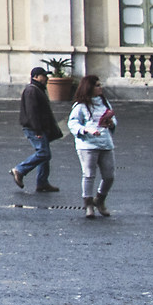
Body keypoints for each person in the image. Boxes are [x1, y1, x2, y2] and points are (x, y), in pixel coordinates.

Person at [67, 74, 118, 218]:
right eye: (97, 85)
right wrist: (86, 129)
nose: (100, 88)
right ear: (89, 87)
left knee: (109, 175)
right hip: (87, 144)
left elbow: (113, 118)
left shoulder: (104, 103)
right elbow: (73, 123)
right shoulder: (81, 106)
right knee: (89, 174)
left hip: (105, 143)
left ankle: (100, 199)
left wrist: (111, 123)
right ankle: (88, 204)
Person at [12, 67, 60, 192]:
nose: (46, 78)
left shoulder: (37, 89)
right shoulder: (32, 90)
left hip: (40, 127)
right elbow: (32, 112)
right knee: (44, 153)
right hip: (34, 128)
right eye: (44, 76)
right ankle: (20, 170)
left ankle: (42, 182)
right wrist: (37, 130)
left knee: (44, 154)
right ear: (36, 77)